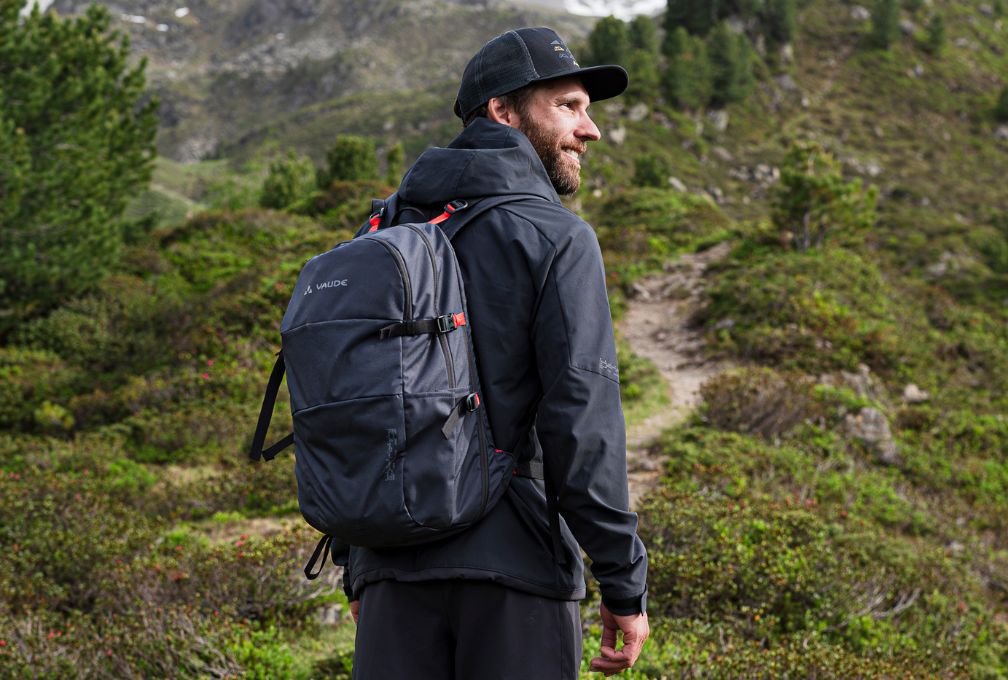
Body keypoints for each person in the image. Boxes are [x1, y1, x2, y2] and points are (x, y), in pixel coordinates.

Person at [341, 27, 649, 679]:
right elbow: (582, 425)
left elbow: (351, 408)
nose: (589, 129)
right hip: (517, 575)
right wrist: (624, 584)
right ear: (502, 112)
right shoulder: (557, 239)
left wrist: (359, 566)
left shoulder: (383, 234)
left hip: (390, 574)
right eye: (568, 106)